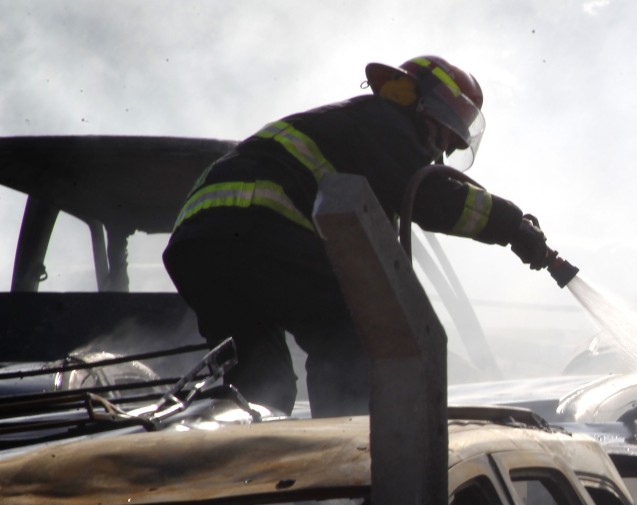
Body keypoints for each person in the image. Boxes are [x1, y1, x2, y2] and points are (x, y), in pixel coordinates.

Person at [163, 55, 552, 417]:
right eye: (445, 137)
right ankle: (344, 457)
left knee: (260, 382)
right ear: (427, 108)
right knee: (350, 333)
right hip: (256, 226)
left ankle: (234, 464)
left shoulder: (354, 130)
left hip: (199, 242)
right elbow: (434, 198)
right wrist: (512, 227)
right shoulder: (386, 122)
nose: (441, 153)